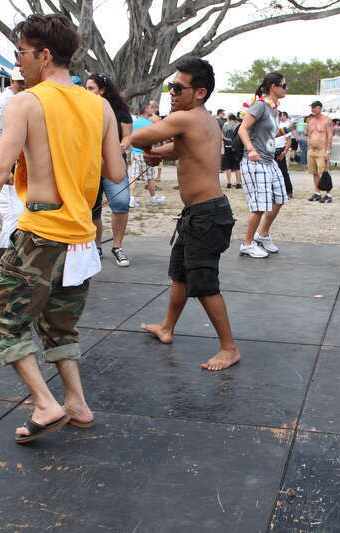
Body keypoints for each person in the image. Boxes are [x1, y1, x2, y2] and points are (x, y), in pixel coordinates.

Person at [0, 13, 126, 443]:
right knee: (59, 325)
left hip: (41, 233)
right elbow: (116, 170)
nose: (18, 62)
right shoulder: (100, 105)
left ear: (44, 55)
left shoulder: (28, 102)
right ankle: (76, 403)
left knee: (4, 320)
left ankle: (46, 404)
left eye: (22, 53)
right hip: (82, 238)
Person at [131, 58, 241, 371]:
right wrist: (158, 154)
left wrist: (129, 139)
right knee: (180, 273)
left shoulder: (188, 118)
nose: (172, 93)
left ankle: (229, 348)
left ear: (201, 92)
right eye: (171, 87)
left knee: (204, 283)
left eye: (179, 88)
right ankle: (167, 327)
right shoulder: (202, 120)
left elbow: (141, 138)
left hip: (207, 215)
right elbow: (182, 150)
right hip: (199, 213)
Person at [237, 72, 289, 258]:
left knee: (280, 198)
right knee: (259, 206)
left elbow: (269, 135)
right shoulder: (260, 106)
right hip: (254, 161)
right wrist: (251, 149)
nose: (286, 89)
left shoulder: (274, 110)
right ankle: (247, 243)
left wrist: (289, 128)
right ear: (273, 87)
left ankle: (263, 235)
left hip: (269, 161)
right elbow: (243, 128)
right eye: (284, 85)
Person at [86, 73, 133, 266]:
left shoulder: (120, 111)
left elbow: (128, 137)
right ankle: (96, 246)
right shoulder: (84, 109)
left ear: (102, 90)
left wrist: (121, 145)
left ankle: (117, 246)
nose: (87, 92)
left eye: (91, 88)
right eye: (86, 88)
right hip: (91, 165)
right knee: (92, 208)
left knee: (121, 202)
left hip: (114, 163)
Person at [0, 67, 26, 248]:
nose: (23, 85)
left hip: (19, 165)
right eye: (19, 82)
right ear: (11, 82)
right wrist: (4, 170)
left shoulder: (22, 100)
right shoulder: (3, 102)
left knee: (20, 215)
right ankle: (2, 259)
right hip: (6, 165)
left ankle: (11, 257)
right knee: (13, 216)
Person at [130, 103, 165, 206]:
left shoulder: (135, 122)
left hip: (135, 152)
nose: (153, 110)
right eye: (151, 108)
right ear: (145, 109)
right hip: (146, 153)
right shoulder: (149, 124)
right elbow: (152, 139)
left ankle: (131, 198)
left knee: (133, 176)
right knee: (150, 177)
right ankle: (153, 198)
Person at [306, 101, 334, 203]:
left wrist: (328, 151)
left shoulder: (327, 121)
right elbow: (308, 134)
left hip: (322, 150)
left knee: (324, 172)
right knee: (314, 172)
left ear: (320, 108)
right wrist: (309, 144)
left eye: (314, 107)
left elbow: (330, 136)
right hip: (312, 150)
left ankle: (328, 194)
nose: (312, 109)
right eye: (311, 107)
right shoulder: (311, 120)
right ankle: (317, 193)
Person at [221, 113, 242, 189]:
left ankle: (229, 183)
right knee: (237, 166)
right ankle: (238, 183)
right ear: (235, 119)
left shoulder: (225, 126)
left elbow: (222, 136)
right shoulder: (238, 125)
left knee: (228, 165)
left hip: (227, 147)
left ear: (228, 119)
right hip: (236, 147)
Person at [275, 110, 293, 198]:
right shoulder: (269, 126)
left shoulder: (284, 126)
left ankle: (288, 191)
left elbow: (289, 141)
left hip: (280, 149)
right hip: (270, 150)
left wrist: (284, 151)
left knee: (283, 172)